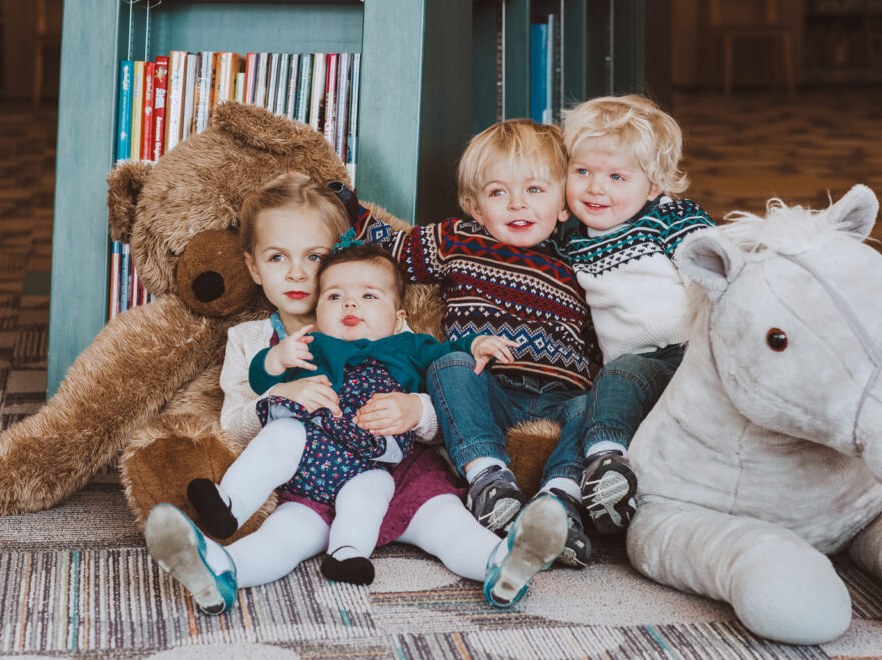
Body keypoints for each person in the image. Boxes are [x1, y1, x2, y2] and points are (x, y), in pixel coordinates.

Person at [143, 173, 566, 615]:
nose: (296, 273)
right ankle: (220, 571)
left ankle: (503, 565)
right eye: (276, 258)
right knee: (281, 538)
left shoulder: (385, 324)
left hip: (399, 473)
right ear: (253, 267)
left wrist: (413, 409)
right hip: (312, 480)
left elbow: (445, 404)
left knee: (448, 523)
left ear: (336, 257)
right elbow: (232, 424)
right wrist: (282, 392)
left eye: (314, 257)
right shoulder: (253, 341)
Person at [331, 119, 597, 568]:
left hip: (564, 395)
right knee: (449, 365)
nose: (518, 204)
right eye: (498, 193)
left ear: (565, 203)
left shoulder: (578, 258)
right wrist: (345, 204)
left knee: (596, 406)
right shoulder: (458, 238)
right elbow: (389, 245)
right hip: (489, 388)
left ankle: (560, 503)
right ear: (475, 206)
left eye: (535, 190)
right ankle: (489, 482)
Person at [556, 94, 715, 535]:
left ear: (652, 186)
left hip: (688, 355)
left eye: (616, 176)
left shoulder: (670, 219)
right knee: (586, 402)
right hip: (629, 370)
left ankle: (606, 463)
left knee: (621, 374)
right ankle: (583, 485)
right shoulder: (571, 244)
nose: (595, 187)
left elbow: (711, 274)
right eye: (582, 171)